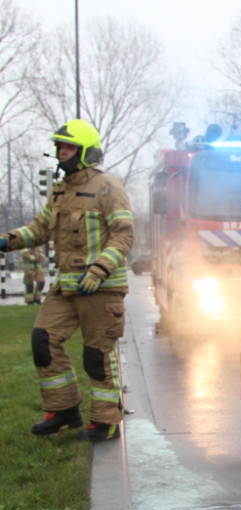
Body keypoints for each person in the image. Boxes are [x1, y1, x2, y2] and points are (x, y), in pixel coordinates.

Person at [0, 119, 133, 442]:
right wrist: (7, 240)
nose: (61, 152)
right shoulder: (60, 191)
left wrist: (99, 270)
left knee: (96, 355)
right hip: (66, 288)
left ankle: (105, 422)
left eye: (68, 147)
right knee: (43, 341)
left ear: (86, 152)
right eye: (59, 146)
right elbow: (40, 229)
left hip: (101, 290)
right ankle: (64, 410)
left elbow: (123, 234)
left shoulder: (107, 188)